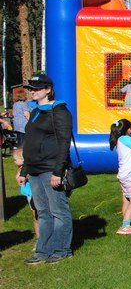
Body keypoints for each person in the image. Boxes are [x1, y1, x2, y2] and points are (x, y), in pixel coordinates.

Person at [19, 74, 75, 265]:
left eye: (37, 88)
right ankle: (43, 250)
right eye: (31, 88)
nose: (32, 91)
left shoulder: (59, 111)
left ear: (48, 90)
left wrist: (57, 172)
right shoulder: (35, 112)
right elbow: (30, 142)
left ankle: (62, 249)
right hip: (34, 170)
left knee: (58, 210)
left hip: (50, 169)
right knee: (42, 212)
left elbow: (64, 143)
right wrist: (24, 170)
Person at [109, 118, 131, 235]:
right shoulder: (126, 139)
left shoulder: (119, 141)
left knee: (127, 200)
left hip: (124, 174)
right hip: (130, 174)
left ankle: (126, 223)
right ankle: (125, 227)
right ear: (128, 129)